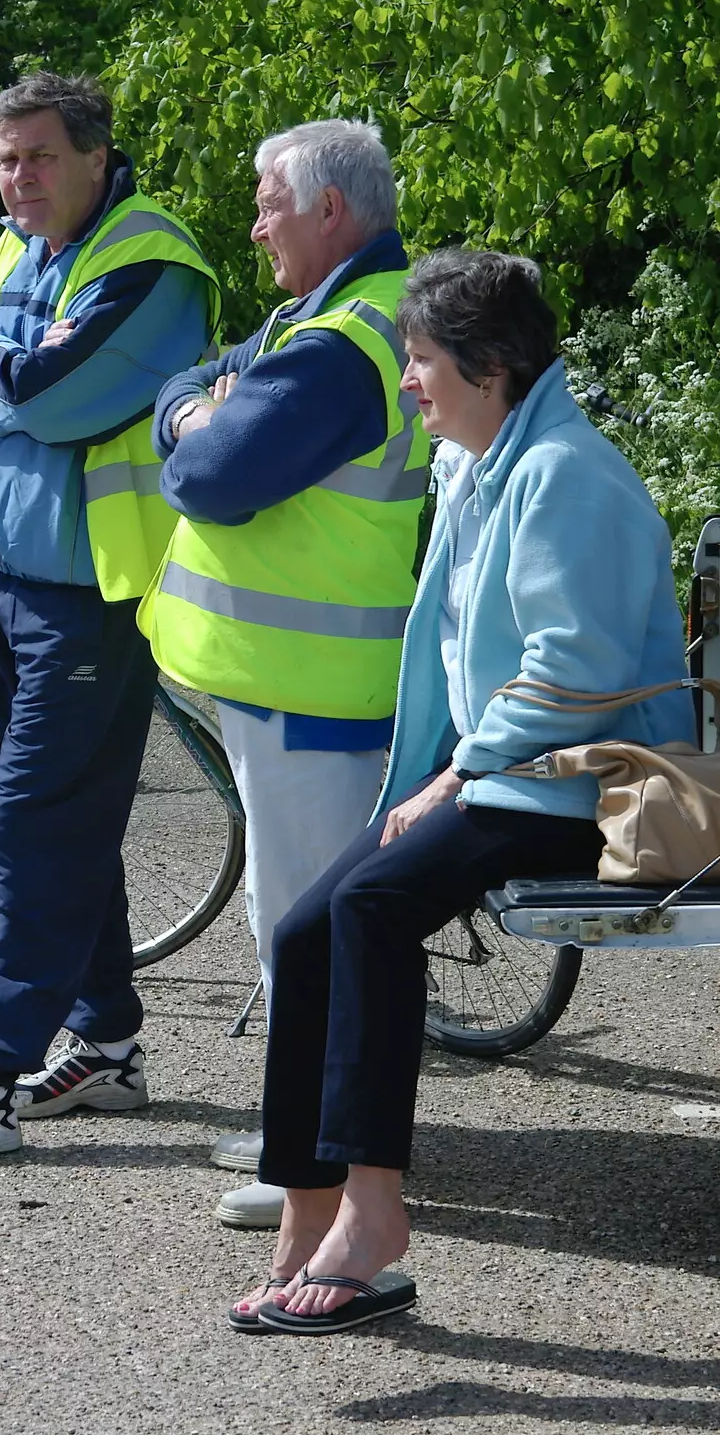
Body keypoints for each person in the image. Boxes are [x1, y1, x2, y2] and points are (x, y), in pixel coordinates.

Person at [229, 247, 695, 1334]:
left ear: (490, 367)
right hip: (504, 775)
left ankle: (376, 1222)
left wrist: (458, 774)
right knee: (306, 932)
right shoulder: (480, 461)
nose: (407, 381)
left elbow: (577, 674)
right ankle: (311, 1212)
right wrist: (451, 773)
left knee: (373, 906)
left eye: (422, 359)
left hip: (582, 788)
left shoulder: (565, 473)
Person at [0, 71, 221, 1168]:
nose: (18, 179)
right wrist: (6, 377)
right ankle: (109, 1042)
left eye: (38, 158)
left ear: (94, 155)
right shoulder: (18, 245)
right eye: (6, 160)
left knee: (31, 825)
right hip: (7, 580)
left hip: (95, 598)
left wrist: (5, 382)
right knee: (70, 823)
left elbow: (59, 394)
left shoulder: (149, 259)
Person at [138, 120, 428, 1228]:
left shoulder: (341, 340)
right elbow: (188, 387)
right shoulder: (327, 317)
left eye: (267, 202)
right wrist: (201, 405)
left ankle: (307, 1163)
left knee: (302, 925)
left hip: (311, 682)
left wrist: (202, 418)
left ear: (328, 212)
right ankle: (302, 1133)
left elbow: (210, 472)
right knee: (299, 916)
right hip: (293, 676)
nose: (254, 224)